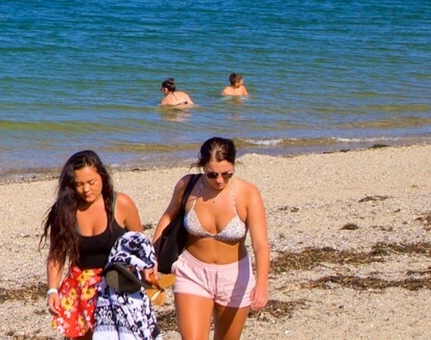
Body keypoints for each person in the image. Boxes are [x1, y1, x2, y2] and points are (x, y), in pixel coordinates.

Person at [151, 138, 271, 340]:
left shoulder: (248, 194)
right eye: (212, 174)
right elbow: (168, 216)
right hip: (192, 272)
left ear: (234, 166)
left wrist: (262, 285)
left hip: (234, 277)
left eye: (227, 174)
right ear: (202, 167)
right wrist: (153, 256)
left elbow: (260, 244)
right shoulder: (187, 185)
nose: (220, 181)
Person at [42, 151, 145, 340]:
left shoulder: (121, 204)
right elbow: (56, 255)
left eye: (91, 182)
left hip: (116, 284)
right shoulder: (64, 211)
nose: (86, 189)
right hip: (79, 288)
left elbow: (140, 246)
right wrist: (52, 290)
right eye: (79, 184)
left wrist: (146, 275)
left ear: (103, 178)